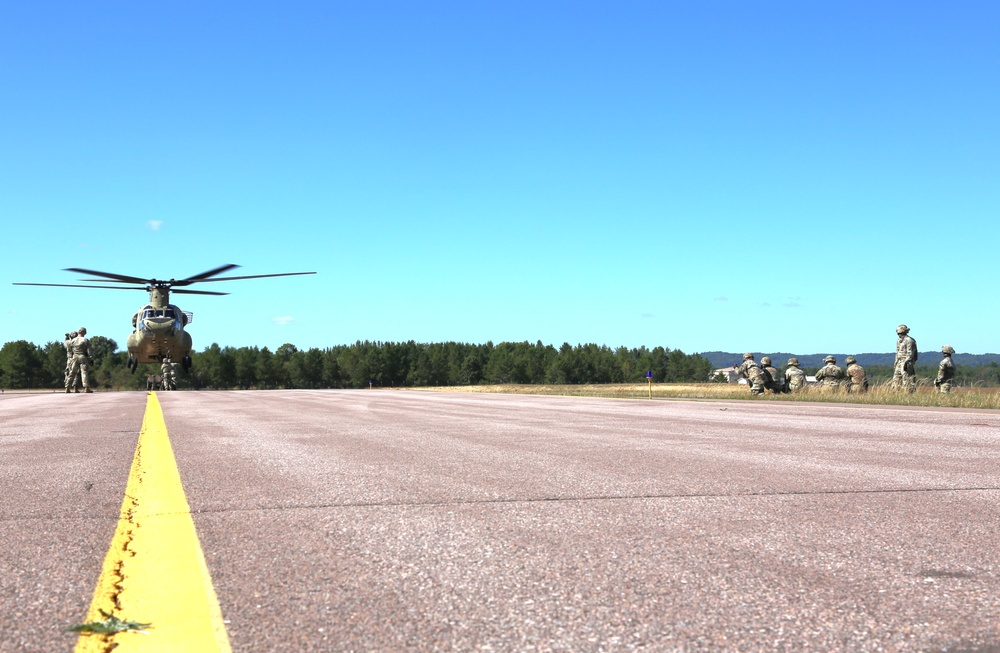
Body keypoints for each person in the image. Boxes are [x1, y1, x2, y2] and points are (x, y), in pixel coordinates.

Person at [65, 327, 93, 393]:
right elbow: (89, 351)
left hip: (74, 357)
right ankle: (86, 388)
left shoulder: (73, 340)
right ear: (84, 332)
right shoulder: (85, 340)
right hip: (82, 357)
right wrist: (91, 358)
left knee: (72, 373)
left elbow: (69, 349)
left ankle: (67, 388)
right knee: (84, 372)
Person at [892, 324, 918, 392]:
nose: (899, 334)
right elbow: (897, 352)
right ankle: (896, 393)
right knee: (896, 379)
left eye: (900, 333)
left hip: (906, 361)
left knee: (907, 379)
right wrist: (896, 361)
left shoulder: (909, 340)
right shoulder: (899, 340)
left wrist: (907, 362)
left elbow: (910, 353)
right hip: (899, 361)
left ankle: (908, 393)